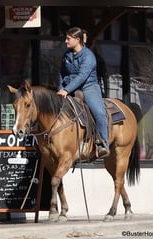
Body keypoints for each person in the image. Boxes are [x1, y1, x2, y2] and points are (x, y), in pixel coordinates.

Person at [57, 27, 110, 158]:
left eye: (68, 38)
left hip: (88, 87)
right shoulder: (67, 55)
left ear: (77, 39)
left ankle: (102, 144)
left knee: (99, 113)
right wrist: (60, 88)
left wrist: (66, 90)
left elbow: (82, 76)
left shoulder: (89, 56)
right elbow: (61, 73)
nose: (66, 41)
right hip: (68, 87)